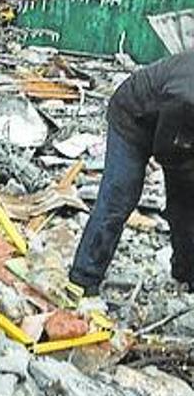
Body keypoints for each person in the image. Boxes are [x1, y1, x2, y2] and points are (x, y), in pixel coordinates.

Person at [68, 51, 194, 297]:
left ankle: (186, 276)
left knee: (186, 208)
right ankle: (83, 279)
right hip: (132, 119)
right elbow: (166, 152)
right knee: (119, 198)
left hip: (178, 129)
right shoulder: (187, 95)